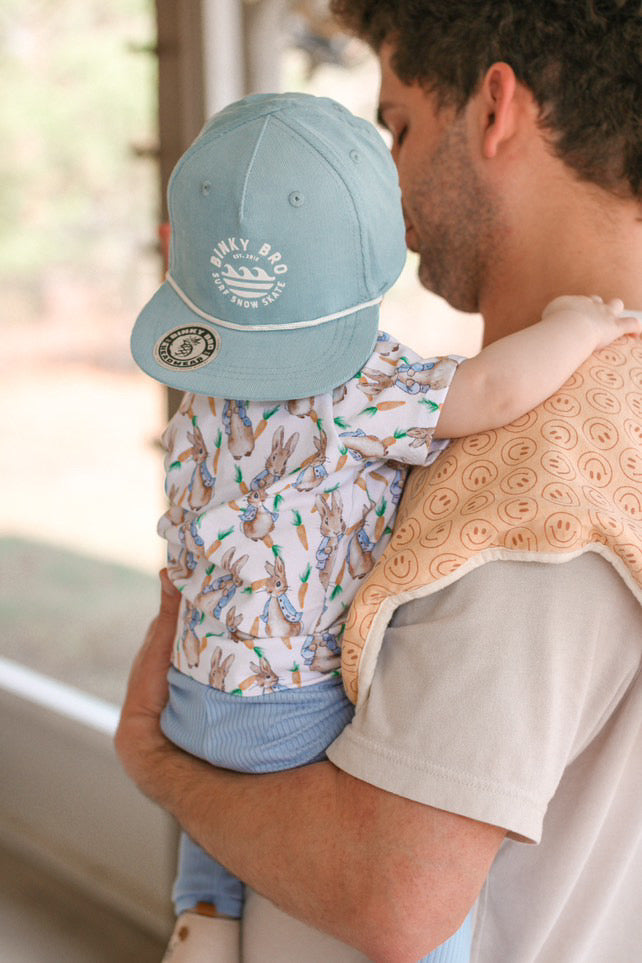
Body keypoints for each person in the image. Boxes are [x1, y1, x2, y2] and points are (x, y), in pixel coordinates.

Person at [116, 3, 642, 961]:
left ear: (495, 112)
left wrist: (157, 758)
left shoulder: (551, 468)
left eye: (396, 126)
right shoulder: (526, 413)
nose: (386, 185)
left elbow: (396, 896)